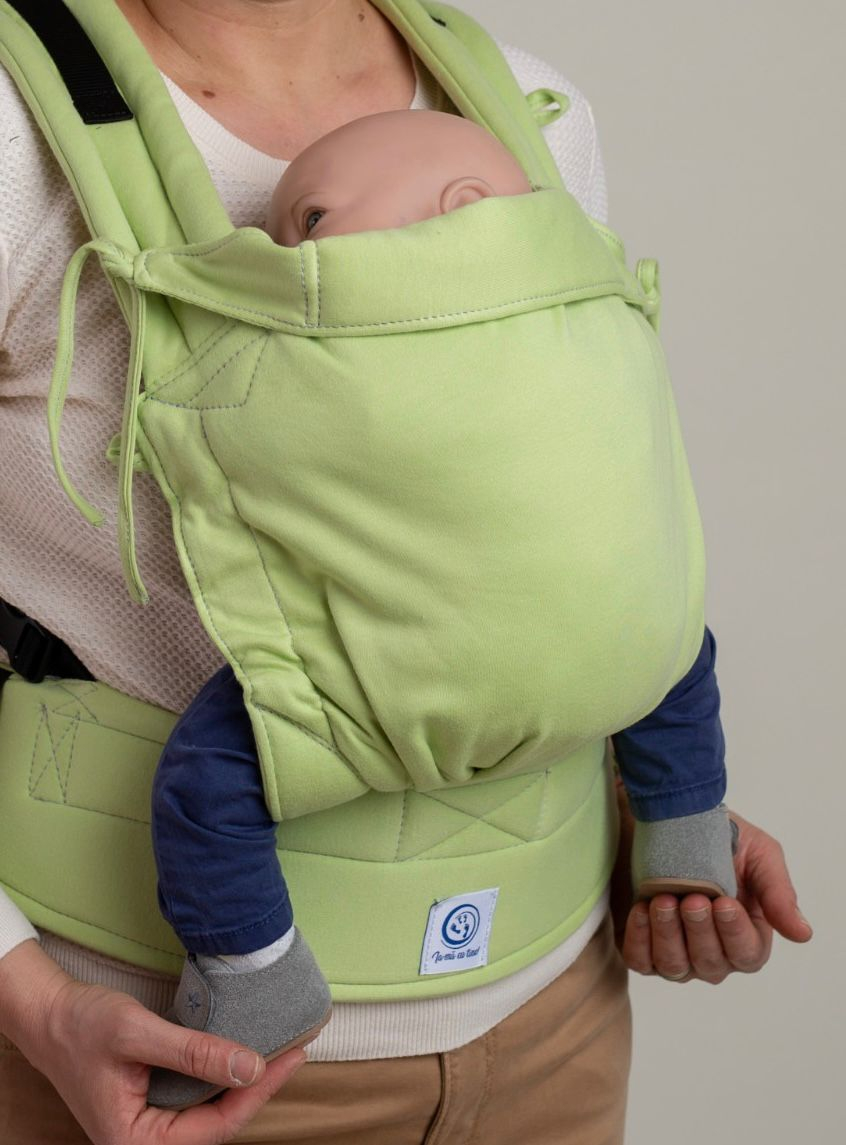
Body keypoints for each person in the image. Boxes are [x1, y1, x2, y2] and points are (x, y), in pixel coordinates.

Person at [0, 3, 812, 1144]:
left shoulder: (524, 109)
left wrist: (666, 809)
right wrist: (30, 1001)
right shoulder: (16, 133)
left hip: (559, 1022)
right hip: (160, 1058)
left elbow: (543, 533)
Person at [146, 106, 736, 1111]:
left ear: (465, 213)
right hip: (620, 645)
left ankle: (255, 970)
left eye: (308, 220)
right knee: (671, 643)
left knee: (207, 784)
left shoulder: (536, 110)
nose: (276, 249)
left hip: (557, 988)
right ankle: (689, 820)